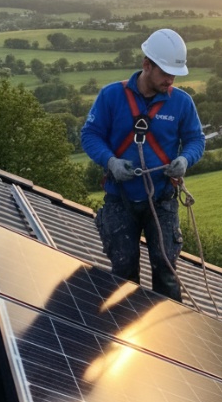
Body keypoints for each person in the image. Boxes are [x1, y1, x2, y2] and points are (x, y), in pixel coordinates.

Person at [81, 28, 205, 301]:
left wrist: (185, 159)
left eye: (174, 74)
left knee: (166, 269)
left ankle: (169, 336)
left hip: (161, 199)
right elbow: (90, 135)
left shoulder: (181, 103)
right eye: (165, 73)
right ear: (146, 65)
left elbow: (196, 139)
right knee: (124, 271)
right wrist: (110, 161)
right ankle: (129, 334)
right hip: (120, 198)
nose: (170, 80)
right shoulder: (111, 96)